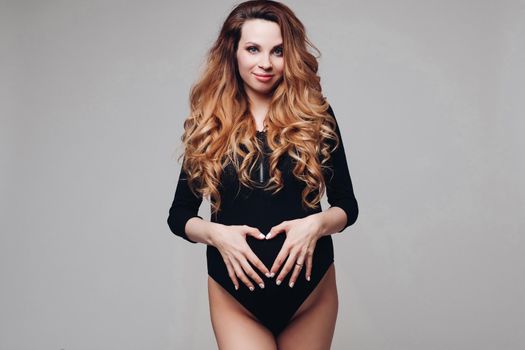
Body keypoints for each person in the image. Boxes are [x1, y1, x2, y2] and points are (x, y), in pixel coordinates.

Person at [167, 1, 358, 349]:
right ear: (233, 51)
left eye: (278, 51)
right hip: (236, 298)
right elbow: (179, 215)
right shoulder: (208, 122)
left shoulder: (316, 115)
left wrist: (316, 225)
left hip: (310, 295)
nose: (265, 63)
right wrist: (216, 235)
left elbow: (347, 205)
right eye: (253, 49)